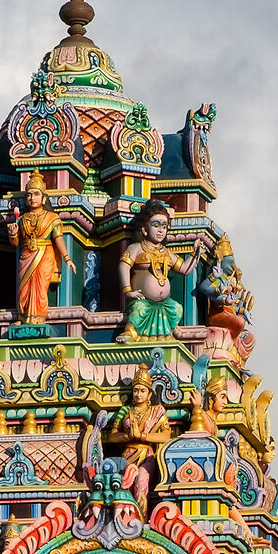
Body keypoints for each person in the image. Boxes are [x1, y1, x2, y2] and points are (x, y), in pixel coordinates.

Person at [116, 201, 199, 340]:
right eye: (156, 225)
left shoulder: (167, 252)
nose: (161, 230)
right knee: (139, 310)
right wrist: (128, 290)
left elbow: (185, 269)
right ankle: (130, 333)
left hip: (164, 303)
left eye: (164, 227)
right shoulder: (137, 248)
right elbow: (123, 266)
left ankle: (170, 330)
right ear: (144, 229)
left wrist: (195, 254)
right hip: (143, 301)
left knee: (177, 308)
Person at [7, 176, 71, 327]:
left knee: (40, 287)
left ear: (43, 198)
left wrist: (67, 258)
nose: (32, 198)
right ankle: (23, 317)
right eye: (29, 195)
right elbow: (15, 243)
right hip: (26, 254)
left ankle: (38, 318)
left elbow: (58, 238)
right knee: (24, 289)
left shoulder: (51, 217)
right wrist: (12, 233)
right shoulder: (22, 219)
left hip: (45, 253)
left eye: (36, 194)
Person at [104, 370, 173, 507]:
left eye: (142, 391)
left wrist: (143, 436)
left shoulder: (158, 411)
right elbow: (112, 436)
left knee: (141, 479)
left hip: (147, 455)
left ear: (150, 394)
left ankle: (142, 516)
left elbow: (166, 435)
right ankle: (126, 515)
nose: (138, 394)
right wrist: (128, 436)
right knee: (125, 482)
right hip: (128, 453)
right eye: (136, 390)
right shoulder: (125, 411)